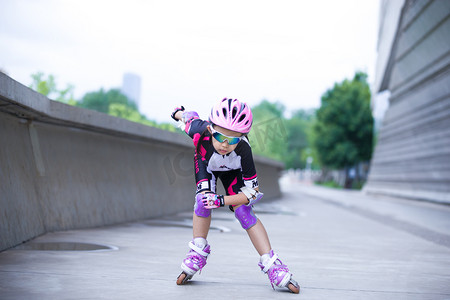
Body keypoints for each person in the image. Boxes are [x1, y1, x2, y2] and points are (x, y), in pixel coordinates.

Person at [171, 98, 299, 293]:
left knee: (244, 212)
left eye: (232, 140)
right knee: (202, 201)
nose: (224, 144)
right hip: (207, 165)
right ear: (211, 128)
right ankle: (198, 250)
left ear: (242, 137)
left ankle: (272, 264)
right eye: (220, 136)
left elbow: (251, 193)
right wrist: (178, 112)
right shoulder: (198, 129)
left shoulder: (244, 150)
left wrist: (221, 200)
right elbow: (186, 118)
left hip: (233, 171)